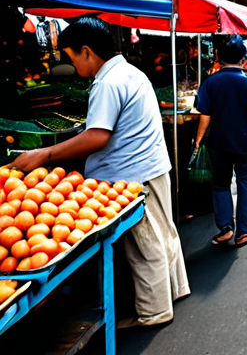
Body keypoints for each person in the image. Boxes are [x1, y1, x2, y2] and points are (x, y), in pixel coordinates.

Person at [8, 17, 190, 327]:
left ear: (87, 51)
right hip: (151, 166)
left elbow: (97, 136)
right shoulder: (131, 72)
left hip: (132, 174)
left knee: (145, 245)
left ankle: (154, 312)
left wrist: (45, 153)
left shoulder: (108, 82)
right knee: (163, 234)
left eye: (71, 57)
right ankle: (174, 291)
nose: (72, 64)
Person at [195, 35, 247, 247]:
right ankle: (244, 231)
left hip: (218, 144)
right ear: (243, 58)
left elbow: (205, 115)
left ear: (218, 58)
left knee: (220, 185)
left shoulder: (210, 82)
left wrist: (197, 141)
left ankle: (225, 228)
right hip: (246, 143)